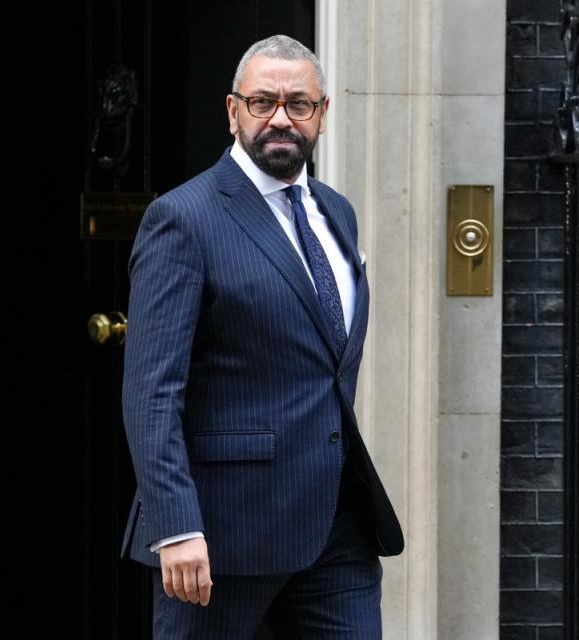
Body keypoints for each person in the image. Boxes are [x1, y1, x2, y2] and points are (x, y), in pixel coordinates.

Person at [119, 34, 404, 638]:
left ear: (321, 115)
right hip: (221, 537)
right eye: (262, 102)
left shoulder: (336, 212)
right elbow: (151, 391)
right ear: (233, 111)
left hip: (336, 528)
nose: (280, 118)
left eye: (298, 103)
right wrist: (175, 526)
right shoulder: (183, 218)